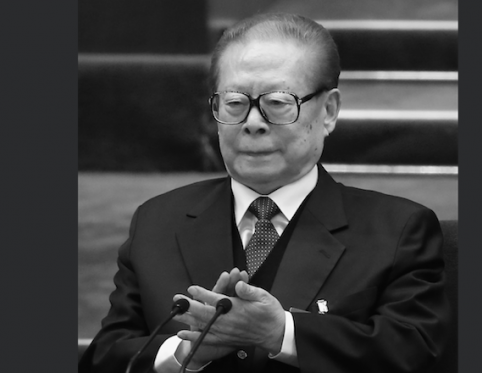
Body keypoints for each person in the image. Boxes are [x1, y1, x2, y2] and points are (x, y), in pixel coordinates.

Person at [78, 13, 450, 373]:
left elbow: (413, 353)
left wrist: (282, 334)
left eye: (277, 103)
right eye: (236, 104)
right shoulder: (158, 221)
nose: (253, 123)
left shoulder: (398, 230)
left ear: (329, 111)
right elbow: (106, 358)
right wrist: (183, 352)